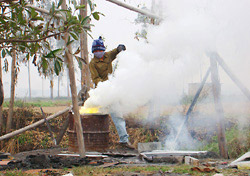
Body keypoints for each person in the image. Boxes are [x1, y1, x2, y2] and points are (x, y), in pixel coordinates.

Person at [89, 36, 134, 149]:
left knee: (117, 115)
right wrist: (104, 86)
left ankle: (124, 141)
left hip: (111, 92)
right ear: (93, 52)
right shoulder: (92, 63)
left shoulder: (108, 55)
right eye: (96, 51)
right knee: (93, 116)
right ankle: (92, 143)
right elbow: (95, 79)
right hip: (101, 91)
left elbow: (115, 52)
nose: (99, 53)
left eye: (100, 50)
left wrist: (120, 48)